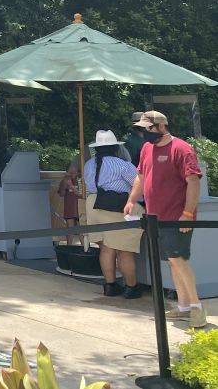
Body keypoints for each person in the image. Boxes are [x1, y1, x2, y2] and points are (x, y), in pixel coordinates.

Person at [126, 110, 206, 328]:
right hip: (155, 217)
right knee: (172, 262)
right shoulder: (146, 149)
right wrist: (132, 199)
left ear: (162, 127)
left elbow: (193, 181)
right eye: (143, 129)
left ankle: (197, 308)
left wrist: (187, 213)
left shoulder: (182, 149)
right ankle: (184, 307)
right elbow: (141, 176)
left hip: (177, 216)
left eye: (148, 128)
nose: (145, 132)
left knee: (178, 259)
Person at [82, 130, 143, 298]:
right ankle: (131, 287)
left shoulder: (88, 164)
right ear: (116, 148)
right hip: (115, 206)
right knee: (124, 250)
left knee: (106, 249)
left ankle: (110, 286)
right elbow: (139, 184)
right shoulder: (122, 165)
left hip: (93, 205)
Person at [56, 165, 81, 245]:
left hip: (80, 206)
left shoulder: (80, 180)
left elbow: (81, 193)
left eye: (75, 172)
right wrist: (65, 183)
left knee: (81, 228)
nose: (73, 174)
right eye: (71, 172)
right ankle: (69, 246)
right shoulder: (66, 180)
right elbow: (61, 193)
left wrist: (71, 186)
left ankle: (85, 247)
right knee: (70, 227)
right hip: (70, 207)